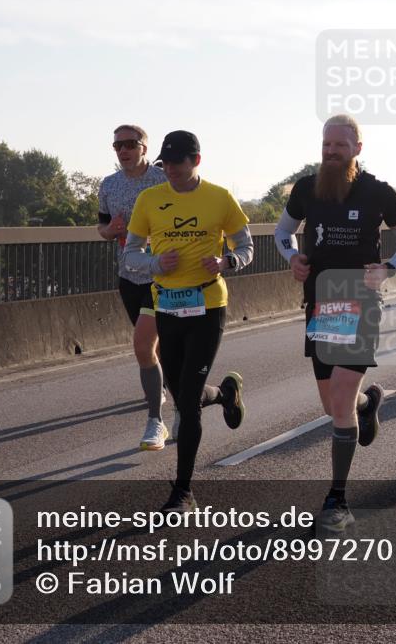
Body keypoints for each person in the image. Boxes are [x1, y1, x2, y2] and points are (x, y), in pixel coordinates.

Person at [274, 114, 396, 532]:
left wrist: (389, 268)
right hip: (320, 305)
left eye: (340, 145)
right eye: (326, 144)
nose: (331, 152)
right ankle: (367, 404)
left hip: (361, 301)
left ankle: (337, 499)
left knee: (338, 401)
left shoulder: (377, 192)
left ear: (357, 148)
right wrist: (294, 258)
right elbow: (282, 234)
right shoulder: (306, 189)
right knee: (333, 405)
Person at [123, 130, 254, 513]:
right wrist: (154, 263)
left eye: (178, 165)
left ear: (196, 160)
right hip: (167, 304)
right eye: (166, 165)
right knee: (183, 394)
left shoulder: (219, 198)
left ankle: (183, 492)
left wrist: (227, 261)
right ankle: (225, 393)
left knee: (187, 406)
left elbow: (245, 246)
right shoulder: (149, 199)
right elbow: (131, 253)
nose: (171, 173)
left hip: (208, 304)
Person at [96, 124, 170, 449]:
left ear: (144, 147)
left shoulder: (162, 180)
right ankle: (167, 389)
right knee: (151, 348)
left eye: (129, 144)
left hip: (162, 277)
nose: (123, 150)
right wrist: (110, 229)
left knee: (144, 344)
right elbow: (102, 228)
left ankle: (157, 419)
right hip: (128, 276)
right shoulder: (108, 185)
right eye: (117, 146)